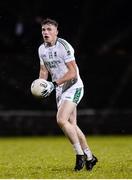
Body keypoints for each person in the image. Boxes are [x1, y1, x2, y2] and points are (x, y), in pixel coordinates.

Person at [38, 18, 98, 171]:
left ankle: (79, 156)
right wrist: (41, 85)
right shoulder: (41, 49)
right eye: (44, 29)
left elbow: (72, 72)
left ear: (56, 32)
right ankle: (90, 157)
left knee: (61, 119)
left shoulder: (64, 46)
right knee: (72, 125)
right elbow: (44, 71)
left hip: (73, 85)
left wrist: (53, 84)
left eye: (49, 29)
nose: (46, 32)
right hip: (59, 89)